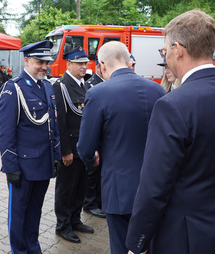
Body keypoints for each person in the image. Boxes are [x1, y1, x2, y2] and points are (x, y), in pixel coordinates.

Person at [125, 10, 215, 254]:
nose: (166, 56)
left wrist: (136, 243)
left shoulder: (171, 105)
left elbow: (154, 187)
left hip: (184, 240)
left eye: (164, 51)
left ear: (178, 49)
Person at [76, 41, 165, 253]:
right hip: (156, 187)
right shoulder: (157, 90)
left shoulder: (99, 93)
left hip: (119, 189)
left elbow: (85, 147)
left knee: (121, 246)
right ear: (128, 61)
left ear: (102, 65)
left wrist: (93, 162)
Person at [0, 40, 61, 254]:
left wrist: (57, 155)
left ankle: (33, 247)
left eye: (46, 62)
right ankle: (20, 250)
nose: (44, 66)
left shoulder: (47, 85)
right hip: (23, 167)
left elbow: (53, 123)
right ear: (26, 61)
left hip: (43, 164)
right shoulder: (13, 88)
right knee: (18, 214)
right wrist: (10, 166)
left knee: (35, 212)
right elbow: (6, 132)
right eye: (39, 62)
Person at [53, 46, 94, 244]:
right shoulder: (60, 86)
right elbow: (59, 122)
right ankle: (63, 226)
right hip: (71, 147)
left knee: (80, 188)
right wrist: (65, 150)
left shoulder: (87, 86)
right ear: (68, 64)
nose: (83, 67)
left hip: (84, 147)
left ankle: (75, 220)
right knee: (66, 189)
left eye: (85, 63)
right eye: (79, 63)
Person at [82, 58, 106, 218]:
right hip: (95, 132)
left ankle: (98, 201)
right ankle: (89, 203)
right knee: (92, 171)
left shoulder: (106, 82)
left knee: (100, 171)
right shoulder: (90, 84)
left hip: (104, 134)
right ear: (98, 66)